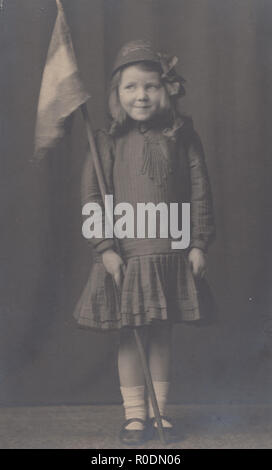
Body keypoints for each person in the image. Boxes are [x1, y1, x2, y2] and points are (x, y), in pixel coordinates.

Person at [74, 40, 216, 445]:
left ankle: (160, 411)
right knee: (130, 333)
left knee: (162, 332)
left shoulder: (183, 137)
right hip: (127, 257)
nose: (141, 95)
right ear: (116, 94)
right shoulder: (105, 141)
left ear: (166, 89)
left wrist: (198, 243)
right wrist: (104, 248)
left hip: (169, 252)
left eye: (151, 86)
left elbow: (200, 192)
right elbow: (91, 199)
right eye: (131, 87)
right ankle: (135, 416)